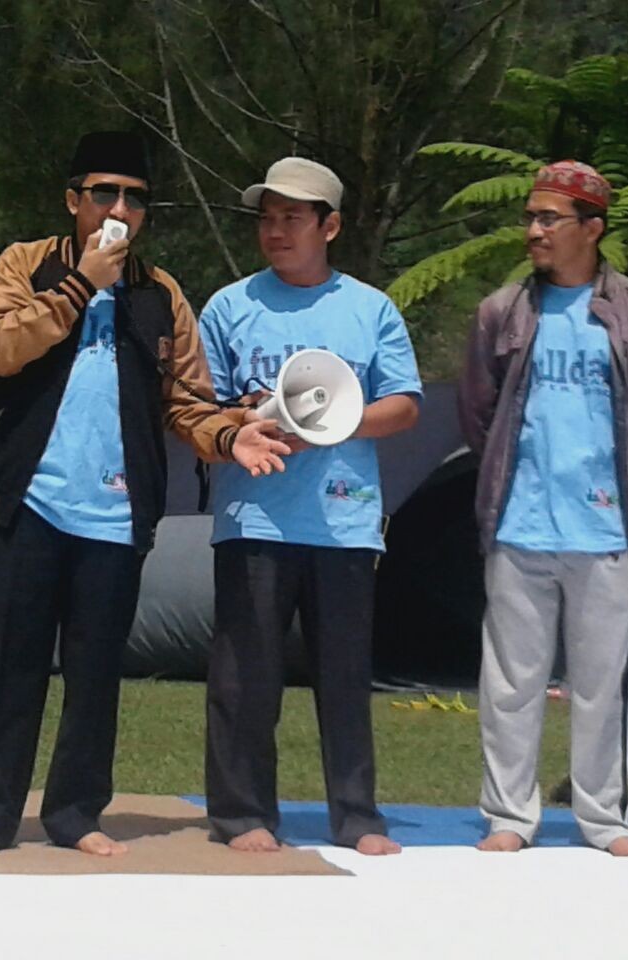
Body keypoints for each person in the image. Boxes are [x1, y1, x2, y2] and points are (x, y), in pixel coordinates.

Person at [0, 131, 290, 860]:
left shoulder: (161, 295)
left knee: (96, 673)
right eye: (105, 193)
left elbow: (187, 400)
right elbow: (2, 347)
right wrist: (81, 286)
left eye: (135, 198)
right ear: (74, 201)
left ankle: (75, 814)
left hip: (117, 510)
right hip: (28, 498)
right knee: (9, 666)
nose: (120, 209)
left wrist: (232, 437)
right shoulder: (25, 264)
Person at [457, 160, 628, 857]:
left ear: (592, 227)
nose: (533, 230)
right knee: (511, 684)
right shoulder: (503, 311)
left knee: (602, 685)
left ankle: (606, 819)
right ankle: (509, 817)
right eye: (530, 217)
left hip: (605, 525)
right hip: (521, 520)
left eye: (548, 219)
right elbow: (478, 414)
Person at [198, 157, 422, 856]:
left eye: (292, 217)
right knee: (246, 676)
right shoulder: (230, 306)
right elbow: (200, 414)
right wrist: (239, 422)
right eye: (267, 217)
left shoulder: (370, 308)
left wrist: (339, 421)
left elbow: (406, 404)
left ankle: (356, 816)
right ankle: (242, 816)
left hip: (345, 519)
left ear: (331, 226)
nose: (275, 230)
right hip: (254, 517)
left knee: (345, 676)